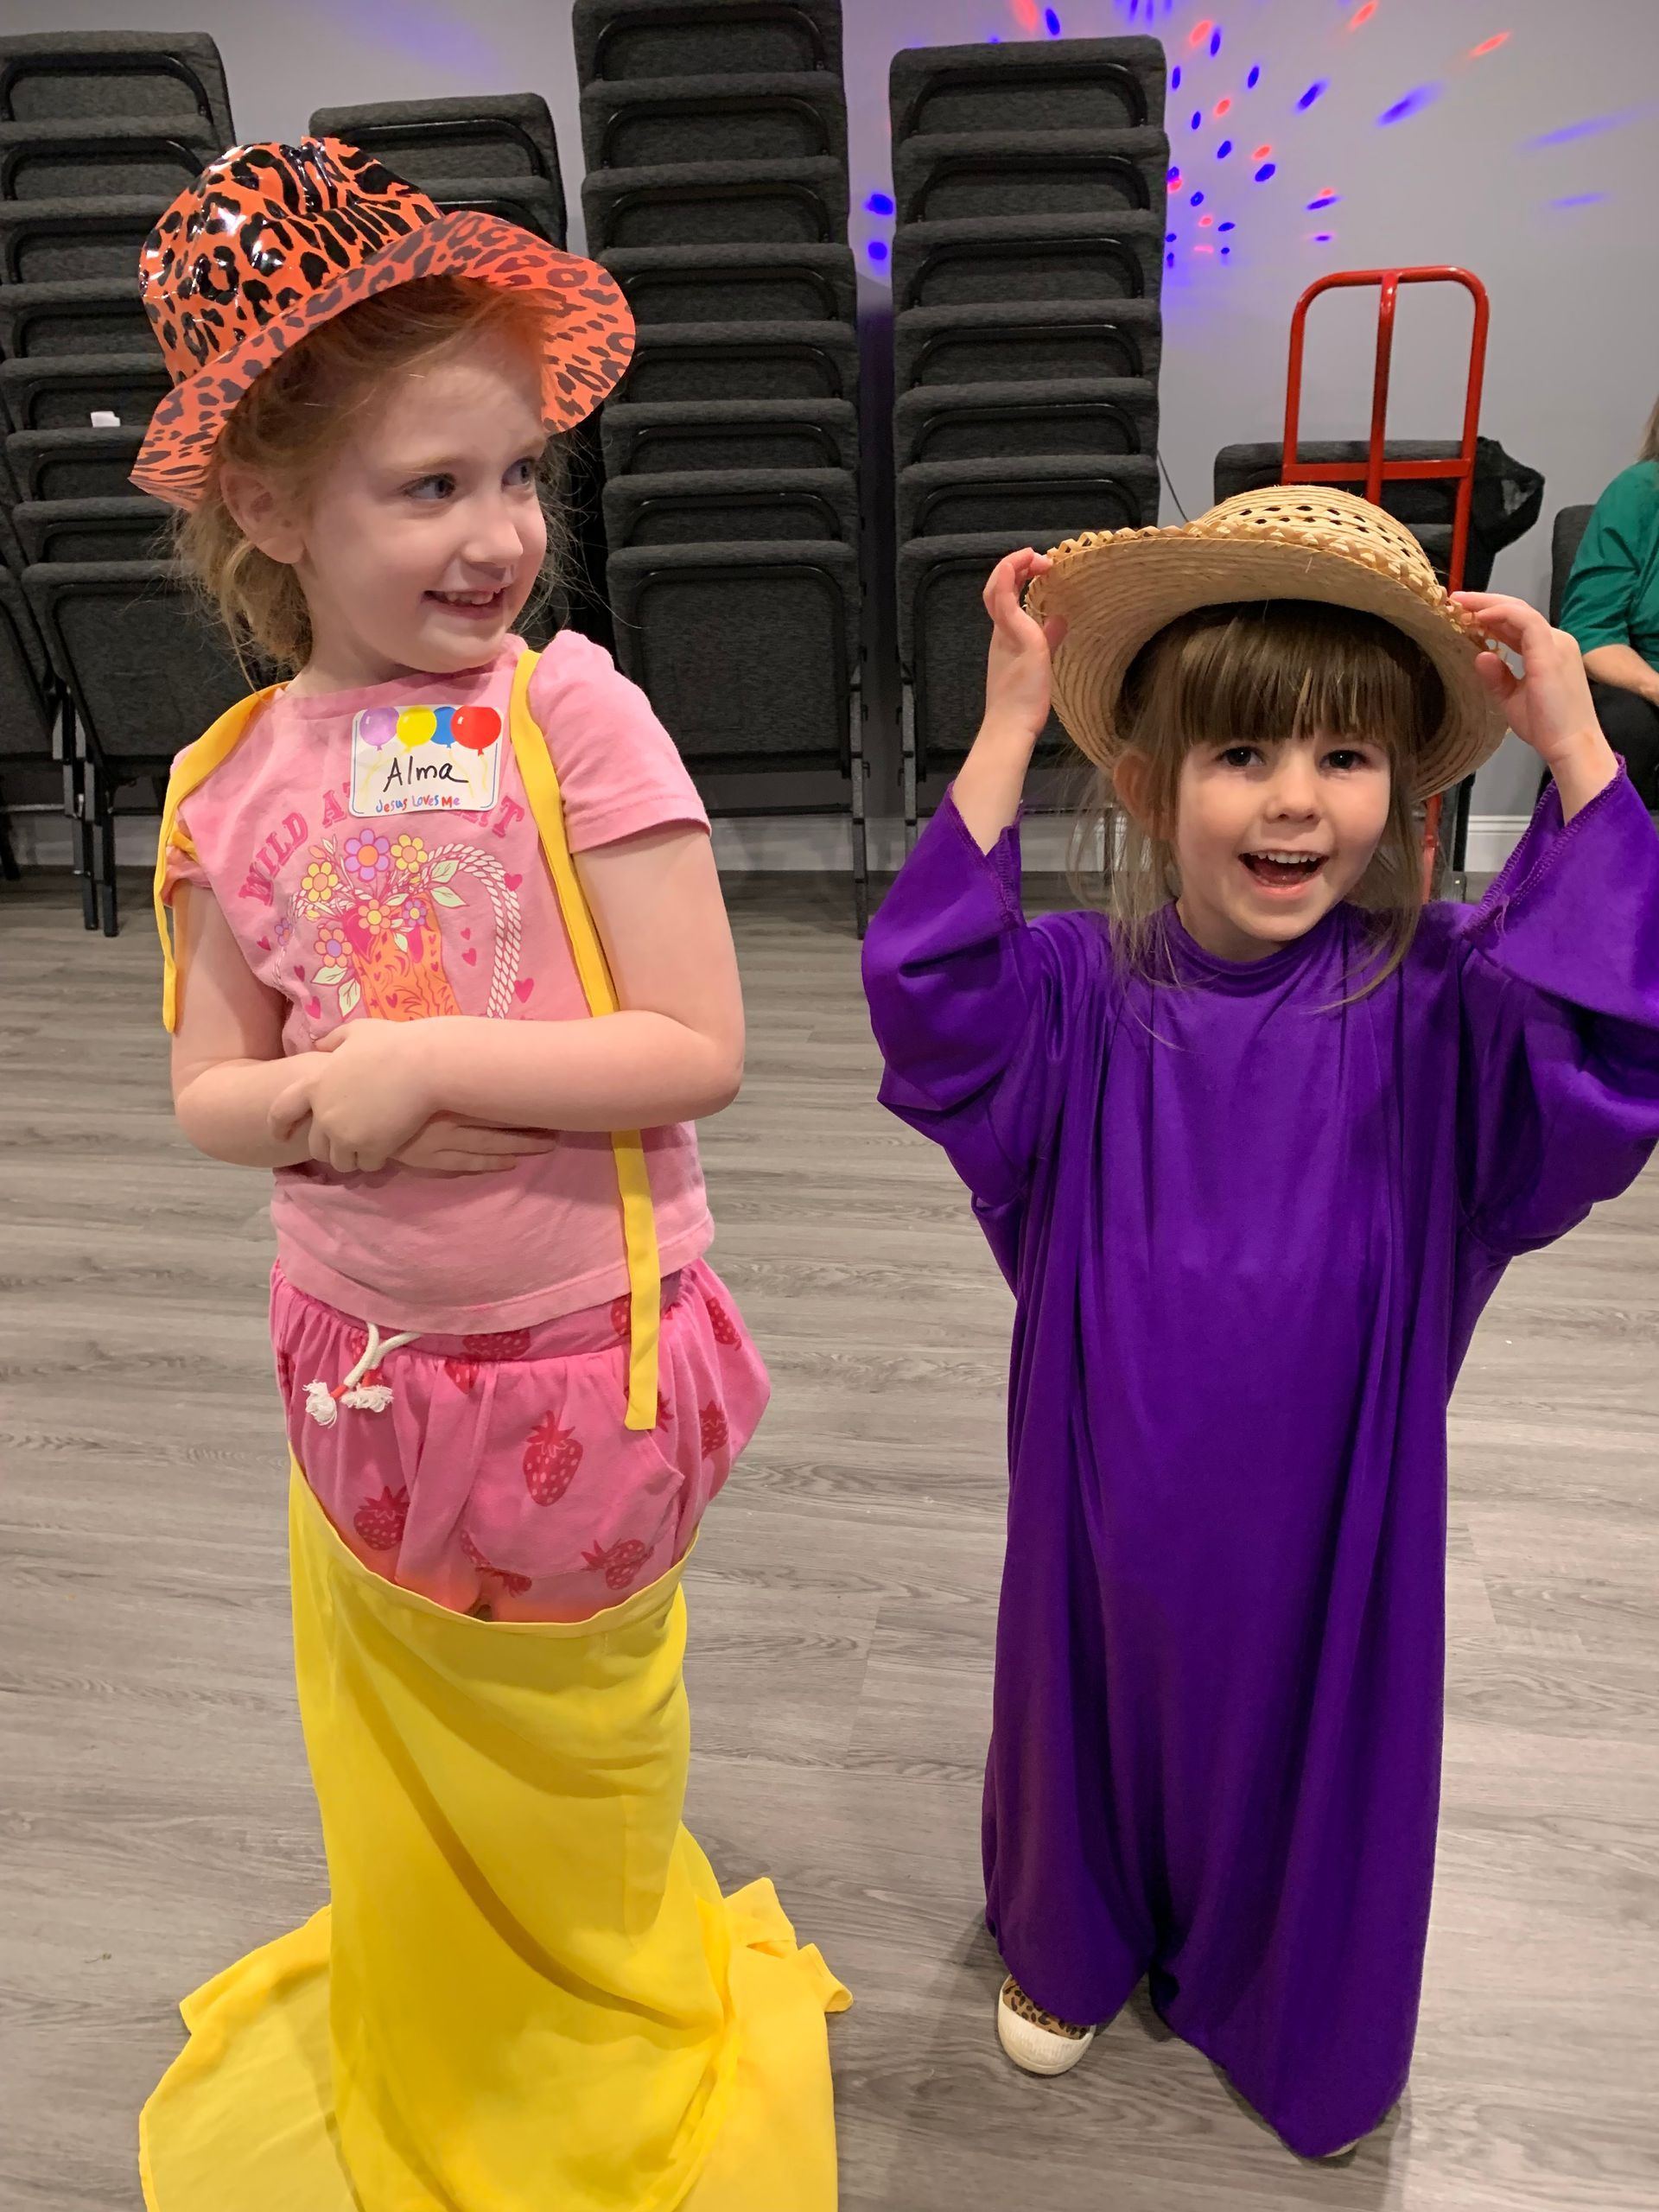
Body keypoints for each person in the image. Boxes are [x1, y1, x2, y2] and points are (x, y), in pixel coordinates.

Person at [136, 140, 846, 2212]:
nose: (499, 535)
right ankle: (444, 2052)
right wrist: (310, 1110)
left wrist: (440, 1063)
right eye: (427, 487)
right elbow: (209, 1087)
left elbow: (694, 1040)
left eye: (517, 478)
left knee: (588, 1782)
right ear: (269, 507)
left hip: (575, 1376)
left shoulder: (578, 716)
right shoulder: (220, 787)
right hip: (355, 1381)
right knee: (404, 1792)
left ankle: (594, 2081)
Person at [861, 486, 1659, 2160]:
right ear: (1154, 783)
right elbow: (931, 1007)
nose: (1297, 798)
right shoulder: (1078, 993)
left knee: (1302, 1747)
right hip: (1106, 1497)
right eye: (1243, 756)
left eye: (1346, 757)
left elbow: (1609, 1062)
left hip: (1334, 1529)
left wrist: (1582, 761)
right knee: (1096, 1699)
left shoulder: (1445, 1001)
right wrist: (1011, 721)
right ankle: (1074, 1938)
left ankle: (1289, 1987)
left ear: (1400, 788)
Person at [1558, 397, 1659, 807]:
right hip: (1650, 686)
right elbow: (1592, 632)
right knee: (1620, 723)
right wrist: (1654, 686)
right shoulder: (1638, 493)